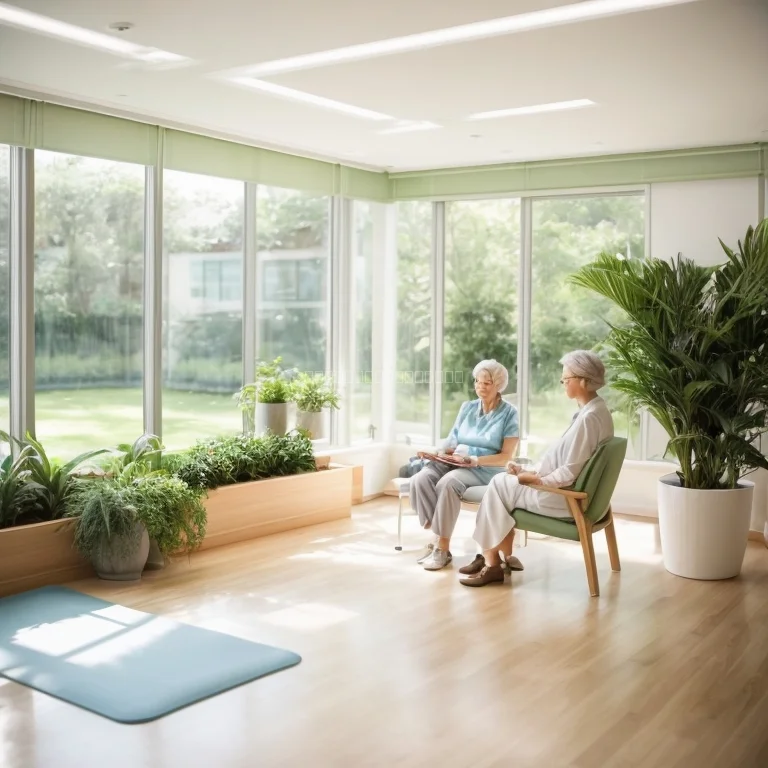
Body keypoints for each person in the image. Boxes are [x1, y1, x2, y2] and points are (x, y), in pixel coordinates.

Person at [459, 350, 614, 587]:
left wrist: (536, 480)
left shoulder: (588, 419)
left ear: (583, 380)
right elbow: (568, 462)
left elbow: (569, 472)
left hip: (563, 499)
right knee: (502, 486)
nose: (563, 383)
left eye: (566, 378)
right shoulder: (596, 410)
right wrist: (526, 469)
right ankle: (500, 558)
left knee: (498, 485)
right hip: (568, 492)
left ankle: (490, 562)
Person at [410, 359, 519, 571]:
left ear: (498, 385)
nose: (480, 387)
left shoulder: (509, 413)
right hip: (457, 462)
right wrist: (438, 453)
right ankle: (437, 531)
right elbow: (452, 441)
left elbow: (505, 457)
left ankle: (441, 547)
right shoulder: (467, 407)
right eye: (477, 382)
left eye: (486, 383)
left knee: (448, 483)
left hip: (485, 468)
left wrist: (475, 460)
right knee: (420, 478)